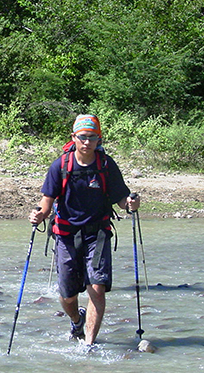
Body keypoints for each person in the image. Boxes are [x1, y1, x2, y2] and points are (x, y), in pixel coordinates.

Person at [28, 114, 140, 346]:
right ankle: (76, 320)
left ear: (99, 139)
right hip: (66, 235)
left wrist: (130, 204)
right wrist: (39, 215)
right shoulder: (60, 166)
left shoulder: (106, 165)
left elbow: (120, 198)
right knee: (68, 296)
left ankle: (89, 344)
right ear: (74, 138)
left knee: (97, 288)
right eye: (83, 137)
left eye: (92, 137)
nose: (87, 142)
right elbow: (47, 203)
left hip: (97, 234)